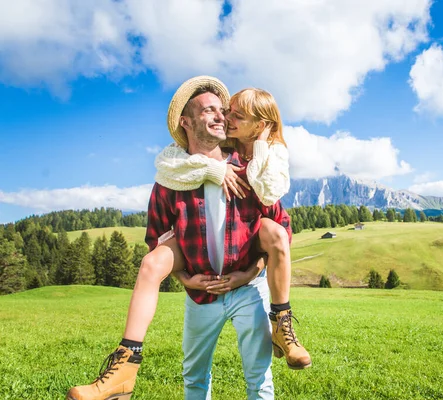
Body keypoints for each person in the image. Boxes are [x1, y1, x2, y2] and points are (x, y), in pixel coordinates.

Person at [66, 77, 309, 400]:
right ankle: (125, 366)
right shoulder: (171, 177)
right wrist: (186, 279)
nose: (221, 116)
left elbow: (280, 229)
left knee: (259, 379)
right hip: (201, 296)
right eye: (209, 110)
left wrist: (250, 273)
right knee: (194, 378)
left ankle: (282, 322)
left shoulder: (249, 168)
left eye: (223, 111)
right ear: (186, 120)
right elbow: (157, 238)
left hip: (249, 290)